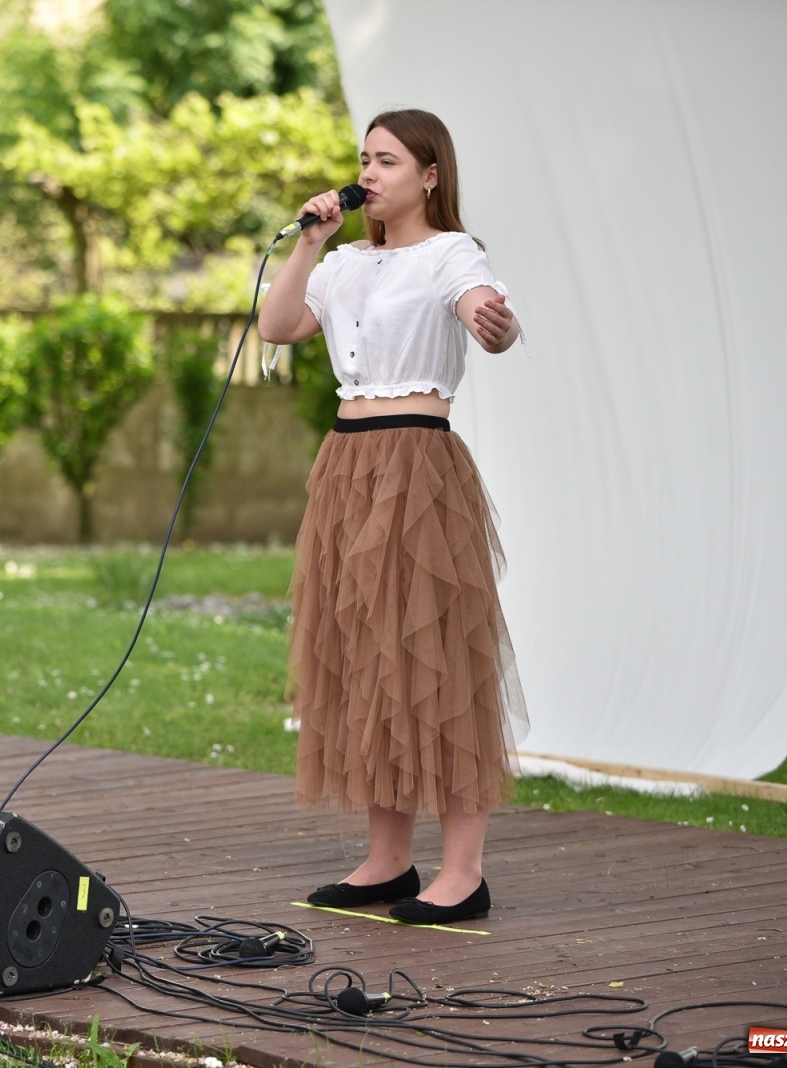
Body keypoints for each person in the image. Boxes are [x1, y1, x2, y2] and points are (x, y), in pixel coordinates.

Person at [258, 108, 529, 926]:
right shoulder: (341, 265)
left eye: (386, 161)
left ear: (429, 174)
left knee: (436, 653)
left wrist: (499, 322)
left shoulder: (453, 253)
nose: (368, 174)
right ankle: (387, 860)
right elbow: (276, 327)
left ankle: (464, 872)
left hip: (417, 464)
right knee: (365, 654)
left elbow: (488, 315)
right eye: (363, 160)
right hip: (346, 463)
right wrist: (307, 241)